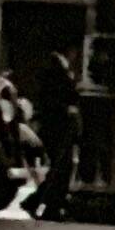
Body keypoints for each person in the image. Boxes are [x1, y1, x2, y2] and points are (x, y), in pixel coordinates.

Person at [23, 51, 79, 221]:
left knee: (58, 168)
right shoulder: (58, 76)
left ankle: (46, 204)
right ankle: (43, 203)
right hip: (58, 127)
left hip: (51, 127)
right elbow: (68, 97)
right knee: (61, 168)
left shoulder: (48, 76)